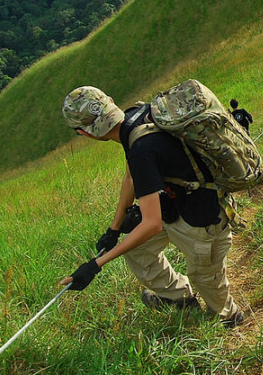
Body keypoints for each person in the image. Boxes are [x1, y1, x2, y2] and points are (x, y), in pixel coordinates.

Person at [59, 87, 245, 328]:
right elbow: (131, 179)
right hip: (177, 207)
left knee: (205, 278)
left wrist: (96, 266)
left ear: (85, 132)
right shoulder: (136, 118)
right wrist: (114, 230)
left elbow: (151, 223)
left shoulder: (141, 149)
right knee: (138, 250)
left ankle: (230, 317)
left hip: (203, 219)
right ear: (112, 103)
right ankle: (181, 299)